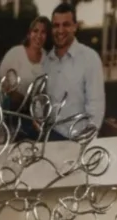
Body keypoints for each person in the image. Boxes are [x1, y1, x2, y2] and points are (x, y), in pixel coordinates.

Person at [43, 3, 105, 140]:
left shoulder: (90, 58)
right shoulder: (47, 61)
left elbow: (96, 109)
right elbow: (43, 100)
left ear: (75, 27)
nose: (60, 30)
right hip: (48, 139)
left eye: (66, 25)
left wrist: (84, 143)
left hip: (76, 139)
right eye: (56, 25)